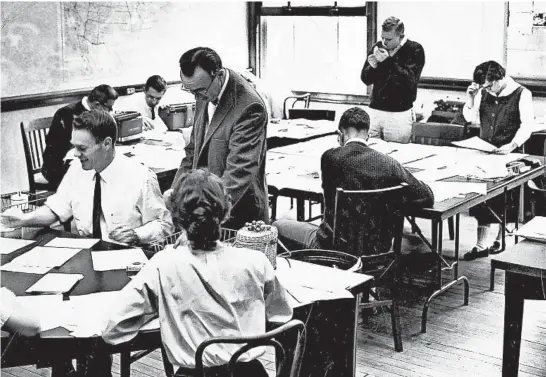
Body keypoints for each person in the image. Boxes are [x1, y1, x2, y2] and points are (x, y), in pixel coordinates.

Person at [103, 169, 292, 377]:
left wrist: (162, 310)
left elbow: (114, 328)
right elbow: (281, 315)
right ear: (225, 212)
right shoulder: (256, 261)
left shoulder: (164, 264)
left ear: (177, 217)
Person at [274, 107, 434, 255]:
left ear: (339, 135)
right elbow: (426, 197)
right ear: (368, 136)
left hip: (333, 248)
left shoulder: (330, 158)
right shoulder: (389, 164)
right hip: (377, 250)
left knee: (277, 226)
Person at [2, 109, 174, 246]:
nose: (75, 154)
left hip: (127, 257)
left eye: (82, 148)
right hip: (87, 251)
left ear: (106, 144)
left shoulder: (140, 177)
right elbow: (57, 208)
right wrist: (23, 219)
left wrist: (137, 234)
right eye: (74, 146)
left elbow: (165, 225)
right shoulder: (77, 169)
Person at [163, 47, 269, 230]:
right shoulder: (203, 90)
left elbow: (238, 172)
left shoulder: (249, 106)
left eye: (200, 91)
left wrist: (203, 217)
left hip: (236, 211)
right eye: (191, 91)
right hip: (206, 209)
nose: (197, 97)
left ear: (219, 75)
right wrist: (176, 191)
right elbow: (193, 152)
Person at [462, 60, 536, 260]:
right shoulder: (485, 91)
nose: (487, 90)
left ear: (500, 77)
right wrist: (470, 98)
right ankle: (482, 244)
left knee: (505, 198)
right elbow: (470, 118)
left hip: (510, 153)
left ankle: (501, 239)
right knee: (482, 195)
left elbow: (527, 125)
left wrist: (512, 145)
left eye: (489, 85)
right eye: (484, 86)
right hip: (487, 152)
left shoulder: (522, 93)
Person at [361, 16, 425, 143]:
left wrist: (387, 62)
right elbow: (365, 79)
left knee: (397, 154)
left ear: (400, 36)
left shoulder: (415, 49)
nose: (384, 42)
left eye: (389, 39)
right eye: (382, 37)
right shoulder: (379, 46)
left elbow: (409, 81)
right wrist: (372, 68)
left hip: (399, 115)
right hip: (375, 111)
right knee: (372, 154)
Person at [42, 84, 119, 189]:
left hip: (83, 160)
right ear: (97, 104)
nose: (110, 111)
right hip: (58, 167)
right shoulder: (66, 113)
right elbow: (60, 151)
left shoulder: (96, 113)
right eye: (108, 108)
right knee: (101, 178)